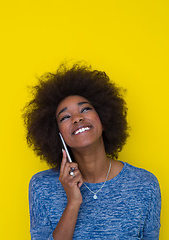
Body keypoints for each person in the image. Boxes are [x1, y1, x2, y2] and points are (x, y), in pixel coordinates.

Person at [23, 64, 161, 240]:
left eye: (85, 109)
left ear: (103, 118)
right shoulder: (41, 186)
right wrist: (73, 202)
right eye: (65, 117)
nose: (77, 118)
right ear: (55, 133)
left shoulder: (145, 185)